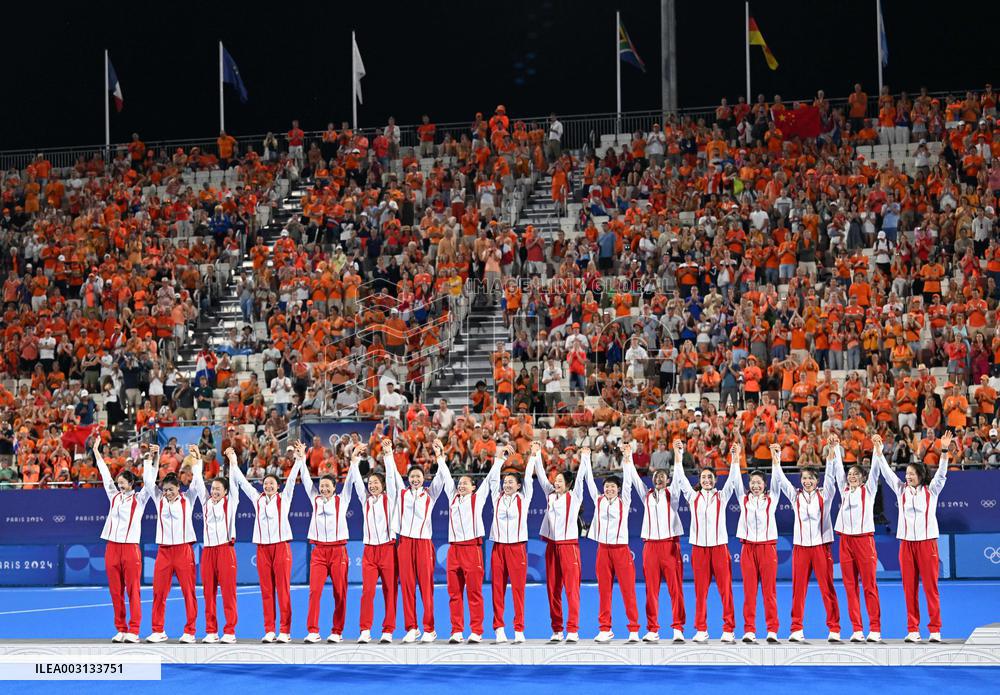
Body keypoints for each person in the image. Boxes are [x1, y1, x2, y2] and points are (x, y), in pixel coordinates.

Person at [874, 431, 953, 643]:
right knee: (909, 589)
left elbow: (942, 474)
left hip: (928, 545)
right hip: (906, 545)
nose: (907, 477)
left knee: (930, 588)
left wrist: (944, 451)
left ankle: (935, 629)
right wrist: (879, 454)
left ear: (920, 475)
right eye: (906, 474)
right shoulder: (901, 490)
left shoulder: (932, 491)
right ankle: (913, 629)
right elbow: (888, 475)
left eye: (911, 474)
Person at [772, 434, 841, 643]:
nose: (807, 481)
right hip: (801, 548)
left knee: (827, 588)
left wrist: (832, 452)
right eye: (804, 479)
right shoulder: (796, 496)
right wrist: (776, 460)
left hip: (821, 547)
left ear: (816, 481)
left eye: (811, 478)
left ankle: (834, 629)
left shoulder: (825, 495)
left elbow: (831, 477)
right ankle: (796, 628)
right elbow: (782, 482)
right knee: (798, 589)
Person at [232, 441, 303, 643]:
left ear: (277, 486)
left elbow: (291, 481)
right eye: (265, 484)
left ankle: (285, 631)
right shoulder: (257, 499)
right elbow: (244, 484)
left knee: (282, 590)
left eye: (271, 483)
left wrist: (298, 460)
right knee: (266, 591)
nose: (268, 486)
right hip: (262, 549)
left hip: (281, 547)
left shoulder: (285, 498)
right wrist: (233, 463)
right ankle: (270, 629)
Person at [440, 439, 505, 643]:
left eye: (465, 483)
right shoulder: (452, 497)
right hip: (454, 550)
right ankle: (456, 631)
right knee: (454, 592)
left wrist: (499, 460)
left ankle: (476, 631)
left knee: (474, 592)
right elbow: (445, 476)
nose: (461, 485)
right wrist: (440, 457)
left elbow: (490, 478)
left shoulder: (478, 498)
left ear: (473, 486)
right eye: (459, 483)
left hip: (473, 549)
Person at [675, 440, 740, 643]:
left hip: (719, 548)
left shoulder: (722, 496)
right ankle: (701, 629)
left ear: (714, 480)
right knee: (700, 592)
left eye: (709, 477)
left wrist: (736, 458)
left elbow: (733, 480)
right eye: (703, 477)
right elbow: (680, 479)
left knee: (725, 591)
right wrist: (678, 454)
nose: (706, 480)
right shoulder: (693, 497)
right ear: (700, 480)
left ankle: (728, 629)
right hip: (699, 550)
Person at [385, 438, 448, 643]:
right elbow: (393, 477)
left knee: (426, 587)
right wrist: (388, 455)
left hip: (423, 543)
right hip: (404, 543)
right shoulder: (401, 494)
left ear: (424, 478)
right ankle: (412, 628)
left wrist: (440, 457)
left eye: (418, 476)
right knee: (408, 586)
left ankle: (430, 628)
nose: (415, 479)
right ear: (408, 478)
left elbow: (443, 478)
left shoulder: (430, 494)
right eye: (412, 476)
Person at [298, 442, 362, 643]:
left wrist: (354, 462)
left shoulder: (342, 500)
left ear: (335, 488)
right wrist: (301, 459)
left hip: (338, 551)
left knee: (340, 593)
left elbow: (350, 481)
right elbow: (307, 481)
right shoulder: (314, 499)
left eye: (328, 486)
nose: (324, 488)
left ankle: (337, 631)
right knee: (314, 591)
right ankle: (313, 630)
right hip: (318, 552)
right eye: (322, 486)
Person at [626, 439, 686, 643]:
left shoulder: (673, 495)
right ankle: (653, 629)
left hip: (670, 545)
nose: (659, 479)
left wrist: (678, 455)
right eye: (656, 476)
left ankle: (678, 628)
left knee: (675, 589)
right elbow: (634, 480)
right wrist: (627, 459)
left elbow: (679, 478)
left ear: (667, 480)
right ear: (652, 480)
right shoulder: (647, 496)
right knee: (651, 590)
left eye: (662, 477)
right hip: (650, 546)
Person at [580, 443, 640, 643]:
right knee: (604, 592)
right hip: (603, 550)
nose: (609, 490)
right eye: (607, 487)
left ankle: (633, 629)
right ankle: (605, 629)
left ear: (618, 489)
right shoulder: (598, 500)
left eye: (613, 487)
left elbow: (630, 481)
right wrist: (586, 459)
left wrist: (628, 458)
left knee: (628, 591)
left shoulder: (625, 501)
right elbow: (589, 481)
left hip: (621, 551)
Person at [94, 440, 152, 644]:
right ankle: (121, 628)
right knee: (115, 591)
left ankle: (134, 630)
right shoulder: (114, 496)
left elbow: (150, 484)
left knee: (132, 590)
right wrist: (97, 453)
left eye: (123, 482)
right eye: (118, 482)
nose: (119, 484)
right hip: (112, 547)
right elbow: (105, 477)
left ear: (131, 484)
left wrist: (149, 461)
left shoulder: (140, 499)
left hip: (130, 549)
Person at [143, 445, 202, 643]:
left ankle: (190, 631)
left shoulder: (189, 499)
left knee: (188, 592)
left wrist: (197, 459)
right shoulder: (158, 499)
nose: (168, 492)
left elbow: (198, 483)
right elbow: (148, 481)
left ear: (179, 488)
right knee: (159, 593)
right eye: (165, 489)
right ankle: (158, 630)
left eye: (171, 489)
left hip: (184, 550)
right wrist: (153, 458)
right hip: (164, 552)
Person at [532, 446, 589, 643]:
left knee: (572, 589)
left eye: (560, 481)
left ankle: (573, 629)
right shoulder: (550, 495)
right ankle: (557, 629)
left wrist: (585, 458)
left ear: (568, 484)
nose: (556, 483)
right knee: (553, 589)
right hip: (552, 548)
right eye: (555, 481)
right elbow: (540, 477)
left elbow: (580, 479)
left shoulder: (574, 497)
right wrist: (537, 454)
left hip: (569, 547)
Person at [833, 433, 884, 643]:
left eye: (856, 474)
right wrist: (836, 448)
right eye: (850, 474)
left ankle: (875, 628)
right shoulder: (844, 491)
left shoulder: (869, 490)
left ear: (862, 478)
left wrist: (877, 449)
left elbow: (875, 471)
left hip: (864, 541)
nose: (851, 476)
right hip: (845, 542)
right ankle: (856, 628)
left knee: (869, 586)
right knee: (850, 586)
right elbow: (837, 471)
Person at [487, 441, 538, 644]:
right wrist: (500, 458)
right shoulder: (496, 498)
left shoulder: (523, 499)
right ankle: (499, 628)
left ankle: (519, 629)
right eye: (505, 482)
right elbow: (492, 480)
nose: (507, 485)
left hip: (517, 548)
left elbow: (528, 479)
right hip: (498, 548)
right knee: (497, 589)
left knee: (518, 589)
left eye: (511, 482)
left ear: (518, 486)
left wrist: (533, 456)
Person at [731, 442, 782, 644]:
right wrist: (736, 457)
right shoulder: (743, 499)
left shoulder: (773, 499)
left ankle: (772, 630)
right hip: (748, 548)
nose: (756, 485)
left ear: (765, 485)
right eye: (752, 482)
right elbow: (735, 480)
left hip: (767, 548)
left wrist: (775, 456)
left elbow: (777, 480)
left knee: (769, 592)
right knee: (749, 592)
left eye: (759, 482)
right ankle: (749, 630)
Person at [351, 442, 401, 644]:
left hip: (388, 550)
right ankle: (365, 629)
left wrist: (388, 455)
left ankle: (388, 630)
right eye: (370, 483)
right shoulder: (365, 500)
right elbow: (356, 482)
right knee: (368, 591)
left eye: (375, 483)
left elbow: (391, 477)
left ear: (383, 486)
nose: (372, 486)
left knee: (390, 591)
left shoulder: (392, 498)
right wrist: (354, 460)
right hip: (370, 551)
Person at [197, 447, 242, 644]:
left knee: (228, 592)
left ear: (225, 492)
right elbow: (198, 483)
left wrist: (233, 461)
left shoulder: (230, 503)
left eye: (218, 489)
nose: (214, 492)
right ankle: (211, 630)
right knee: (208, 593)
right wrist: (198, 460)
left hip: (225, 550)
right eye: (212, 489)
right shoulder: (206, 503)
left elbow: (235, 484)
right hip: (207, 552)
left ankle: (230, 631)